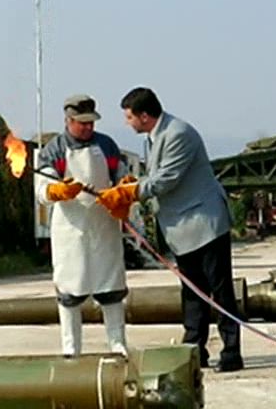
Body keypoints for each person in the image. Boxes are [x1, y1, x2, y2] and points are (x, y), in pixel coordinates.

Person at [96, 87, 244, 372]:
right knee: (192, 292)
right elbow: (155, 175)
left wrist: (130, 192)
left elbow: (167, 179)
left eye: (129, 117)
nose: (127, 122)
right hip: (182, 229)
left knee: (220, 291)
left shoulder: (178, 134)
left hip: (204, 223)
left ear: (144, 116)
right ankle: (194, 350)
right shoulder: (154, 137)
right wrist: (133, 183)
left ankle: (231, 352)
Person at [36, 94, 129, 357]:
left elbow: (122, 176)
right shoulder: (54, 149)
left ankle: (118, 344)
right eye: (82, 123)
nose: (88, 127)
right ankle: (71, 348)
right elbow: (42, 188)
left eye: (91, 123)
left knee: (111, 286)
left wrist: (123, 193)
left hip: (104, 224)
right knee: (69, 288)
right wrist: (56, 191)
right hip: (70, 228)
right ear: (69, 120)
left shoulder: (107, 145)